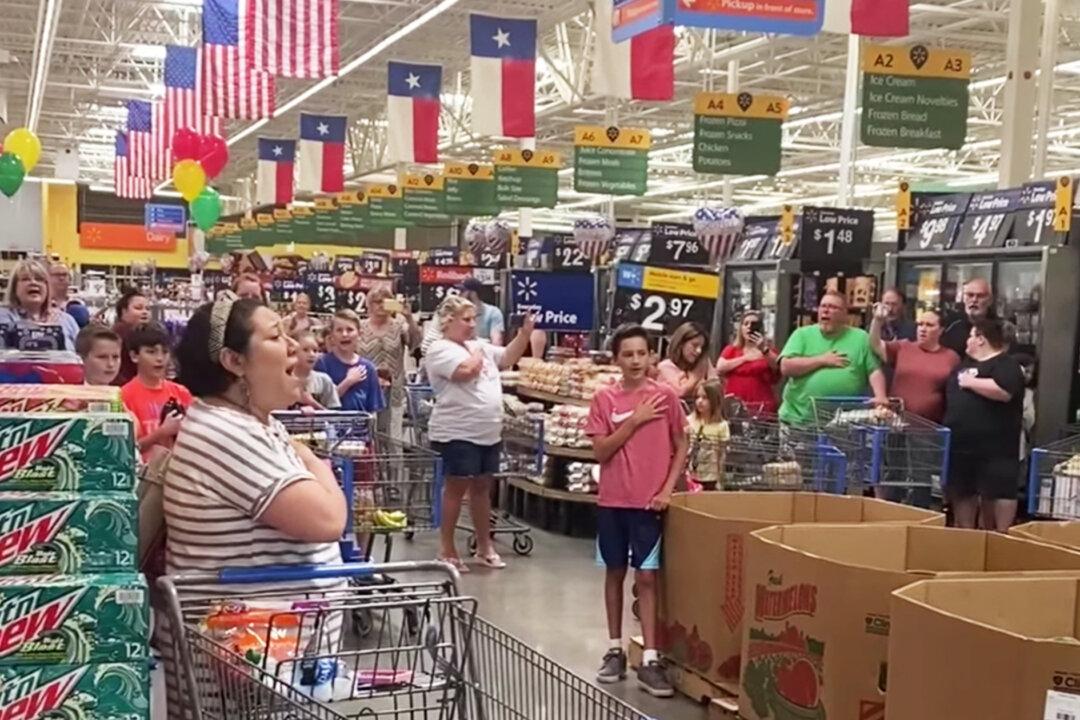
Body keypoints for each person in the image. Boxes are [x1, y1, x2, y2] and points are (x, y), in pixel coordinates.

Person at [160, 296, 347, 720]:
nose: (295, 346)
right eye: (276, 336)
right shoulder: (227, 433)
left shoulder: (251, 422)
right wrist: (315, 462)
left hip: (267, 668)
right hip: (242, 681)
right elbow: (329, 520)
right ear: (234, 361)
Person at [586, 324, 689, 700]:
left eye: (641, 354)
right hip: (612, 502)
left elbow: (682, 443)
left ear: (651, 356)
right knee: (614, 572)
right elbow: (600, 452)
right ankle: (615, 648)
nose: (634, 361)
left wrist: (667, 489)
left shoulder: (666, 397)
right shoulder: (604, 400)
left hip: (649, 505)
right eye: (627, 354)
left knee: (647, 577)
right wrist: (633, 421)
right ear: (616, 359)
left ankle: (650, 655)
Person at [423, 295, 534, 571]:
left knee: (483, 488)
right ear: (448, 321)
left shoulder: (477, 345)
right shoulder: (439, 349)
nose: (473, 325)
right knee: (456, 488)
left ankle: (485, 546)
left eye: (474, 319)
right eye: (467, 319)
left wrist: (525, 334)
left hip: (488, 431)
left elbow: (507, 356)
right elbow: (466, 372)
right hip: (457, 431)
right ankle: (446, 548)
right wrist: (477, 354)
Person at [943, 319, 1025, 531]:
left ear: (981, 339)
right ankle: (965, 535)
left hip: (997, 449)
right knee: (963, 492)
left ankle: (1000, 536)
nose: (967, 341)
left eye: (971, 336)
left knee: (998, 493)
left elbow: (1004, 391)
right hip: (962, 446)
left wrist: (972, 383)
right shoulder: (964, 365)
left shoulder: (1006, 364)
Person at [778, 291, 887, 427]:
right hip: (799, 421)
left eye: (832, 307)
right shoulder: (802, 335)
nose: (826, 311)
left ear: (845, 314)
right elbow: (786, 367)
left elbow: (874, 370)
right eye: (823, 306)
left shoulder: (861, 338)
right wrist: (822, 360)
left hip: (844, 426)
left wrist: (880, 397)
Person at [120, 322, 192, 459]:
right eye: (151, 352)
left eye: (165, 352)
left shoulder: (181, 393)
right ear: (134, 356)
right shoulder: (124, 396)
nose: (160, 359)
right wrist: (162, 432)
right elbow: (126, 450)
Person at [357, 287, 421, 440]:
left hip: (394, 391)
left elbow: (416, 345)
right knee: (369, 433)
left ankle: (394, 465)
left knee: (394, 436)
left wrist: (409, 318)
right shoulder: (360, 327)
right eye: (376, 302)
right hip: (366, 389)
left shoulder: (399, 326)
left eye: (385, 302)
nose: (380, 305)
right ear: (369, 304)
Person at [0, 259, 80, 351]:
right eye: (25, 279)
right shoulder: (3, 317)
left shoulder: (67, 321)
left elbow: (82, 357)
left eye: (39, 279)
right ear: (14, 288)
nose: (33, 282)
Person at [314, 309, 385, 413]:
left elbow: (373, 410)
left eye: (350, 330)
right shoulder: (322, 363)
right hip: (332, 426)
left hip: (360, 427)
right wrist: (348, 382)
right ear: (332, 336)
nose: (344, 334)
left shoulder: (368, 368)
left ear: (359, 334)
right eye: (339, 330)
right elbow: (320, 404)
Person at [716, 311, 780, 415]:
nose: (749, 327)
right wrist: (745, 358)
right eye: (746, 324)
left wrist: (763, 349)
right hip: (735, 406)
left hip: (762, 406)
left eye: (754, 324)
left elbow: (778, 366)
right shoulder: (732, 349)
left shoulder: (768, 351)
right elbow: (720, 367)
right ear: (741, 328)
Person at [655, 322, 716, 401]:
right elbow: (679, 392)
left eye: (701, 347)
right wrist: (695, 377)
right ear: (681, 343)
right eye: (694, 345)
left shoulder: (703, 363)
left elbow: (715, 388)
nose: (699, 351)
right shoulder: (665, 367)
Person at [687, 380, 730, 490]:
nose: (700, 401)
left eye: (705, 398)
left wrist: (720, 480)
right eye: (697, 397)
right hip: (690, 475)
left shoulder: (722, 426)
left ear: (715, 400)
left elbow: (722, 455)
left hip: (710, 478)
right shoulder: (689, 421)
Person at [941, 277, 994, 356]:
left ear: (990, 300)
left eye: (980, 296)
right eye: (970, 295)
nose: (974, 300)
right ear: (964, 298)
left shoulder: (999, 328)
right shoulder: (950, 324)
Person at [112, 288, 151, 385]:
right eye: (138, 308)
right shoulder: (119, 334)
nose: (144, 312)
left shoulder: (143, 333)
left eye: (147, 309)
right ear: (124, 311)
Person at [294, 332, 340, 409]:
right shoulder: (283, 380)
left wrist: (313, 404)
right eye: (305, 350)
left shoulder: (324, 380)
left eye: (315, 351)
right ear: (293, 352)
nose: (311, 354)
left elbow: (334, 417)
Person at [460, 278, 505, 345]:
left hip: (484, 352)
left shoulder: (493, 312)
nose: (459, 294)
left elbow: (496, 342)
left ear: (472, 294)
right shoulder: (456, 313)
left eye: (462, 291)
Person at [48, 261, 90, 328]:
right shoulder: (42, 304)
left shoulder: (78, 304)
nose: (61, 278)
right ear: (48, 278)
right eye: (57, 275)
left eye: (64, 275)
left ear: (70, 278)